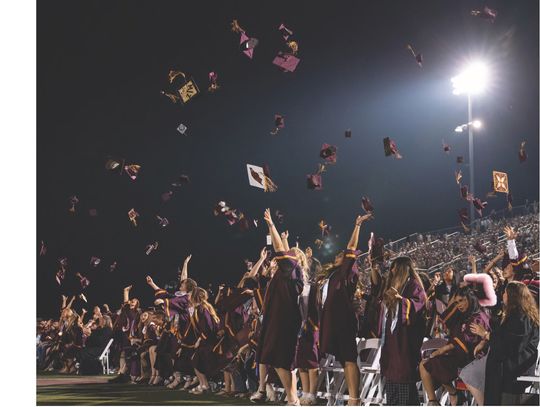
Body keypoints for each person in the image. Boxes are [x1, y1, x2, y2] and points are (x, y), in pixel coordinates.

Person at [256, 208, 307, 406]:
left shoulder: (293, 270)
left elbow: (280, 251)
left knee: (280, 360)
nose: (287, 253)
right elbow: (283, 252)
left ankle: (293, 400)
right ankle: (293, 399)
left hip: (284, 320)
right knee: (281, 362)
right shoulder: (288, 272)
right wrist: (284, 239)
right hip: (279, 319)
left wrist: (271, 225)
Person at [319, 213, 371, 406]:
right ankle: (351, 397)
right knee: (343, 359)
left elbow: (350, 248)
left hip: (343, 320)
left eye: (340, 256)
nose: (337, 257)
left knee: (349, 358)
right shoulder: (333, 276)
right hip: (333, 320)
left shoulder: (346, 272)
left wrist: (357, 225)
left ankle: (354, 399)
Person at [420, 287, 490, 406]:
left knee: (431, 363)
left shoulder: (478, 317)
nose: (459, 305)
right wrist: (456, 300)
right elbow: (446, 318)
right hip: (458, 356)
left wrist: (441, 350)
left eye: (462, 300)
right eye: (457, 302)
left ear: (471, 299)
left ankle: (453, 394)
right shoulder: (463, 315)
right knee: (425, 364)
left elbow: (466, 340)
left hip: (471, 360)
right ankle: (436, 400)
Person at [474, 281, 539, 405]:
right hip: (508, 369)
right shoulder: (519, 315)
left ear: (512, 296)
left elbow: (510, 345)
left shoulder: (521, 318)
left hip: (513, 372)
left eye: (505, 292)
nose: (503, 295)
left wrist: (486, 335)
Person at [377, 256, 426, 405]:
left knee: (403, 375)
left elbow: (419, 304)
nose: (392, 270)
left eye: (395, 267)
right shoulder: (395, 285)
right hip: (392, 338)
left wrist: (401, 300)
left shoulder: (414, 285)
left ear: (403, 269)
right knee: (392, 374)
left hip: (405, 339)